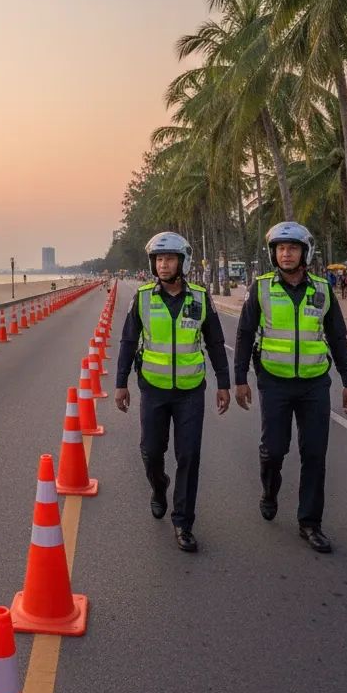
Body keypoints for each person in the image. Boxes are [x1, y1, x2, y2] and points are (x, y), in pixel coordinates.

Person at [234, 222, 347, 554]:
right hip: (274, 382)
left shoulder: (322, 289)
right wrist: (240, 379)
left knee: (315, 453)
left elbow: (338, 337)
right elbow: (245, 334)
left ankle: (310, 523)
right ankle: (270, 491)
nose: (286, 253)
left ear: (305, 253)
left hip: (315, 384)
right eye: (280, 248)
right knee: (274, 450)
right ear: (274, 253)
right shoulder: (260, 289)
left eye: (292, 248)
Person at [115, 231, 231, 553]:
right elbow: (127, 342)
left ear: (182, 262)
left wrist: (224, 383)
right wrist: (120, 382)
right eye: (159, 259)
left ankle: (183, 522)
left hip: (191, 392)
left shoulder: (200, 297)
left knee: (189, 456)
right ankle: (159, 485)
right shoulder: (142, 298)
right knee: (151, 452)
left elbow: (216, 343)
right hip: (153, 389)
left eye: (169, 259)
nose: (163, 265)